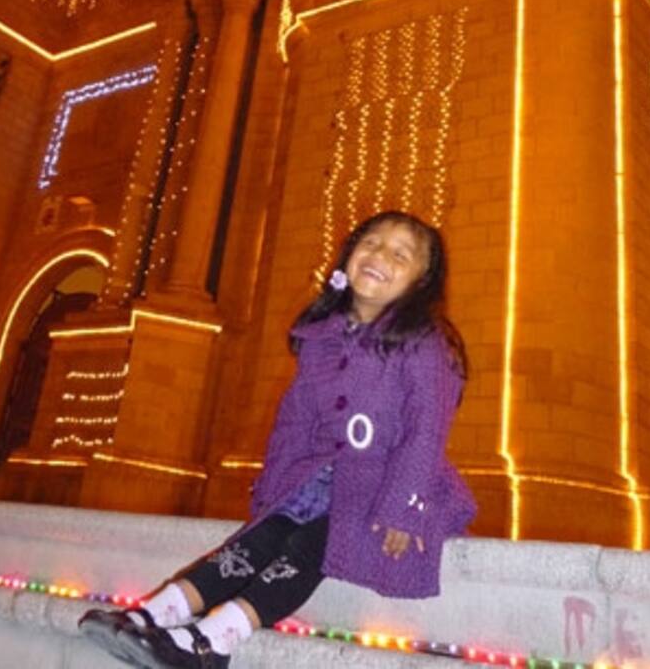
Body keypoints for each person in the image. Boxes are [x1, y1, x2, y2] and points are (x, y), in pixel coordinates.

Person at [79, 210, 476, 668]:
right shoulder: (320, 339)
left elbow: (427, 430)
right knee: (258, 538)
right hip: (320, 480)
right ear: (347, 259)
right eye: (370, 243)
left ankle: (211, 642)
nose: (379, 255)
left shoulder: (426, 344)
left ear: (421, 282)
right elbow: (296, 423)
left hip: (388, 487)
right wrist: (274, 489)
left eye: (400, 254)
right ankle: (153, 615)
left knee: (310, 547)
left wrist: (401, 509)